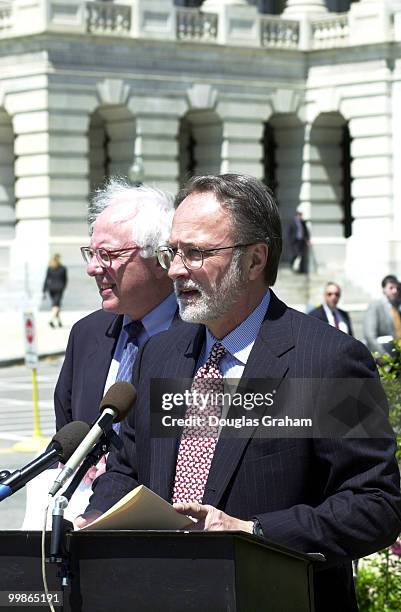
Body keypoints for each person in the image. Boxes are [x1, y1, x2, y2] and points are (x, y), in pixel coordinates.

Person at [79, 174, 401, 611]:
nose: (175, 269)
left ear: (254, 260)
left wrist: (253, 533)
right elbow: (127, 467)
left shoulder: (328, 361)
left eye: (196, 253)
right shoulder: (162, 354)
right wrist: (96, 518)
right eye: (173, 252)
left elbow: (375, 506)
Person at [364, 274, 401, 356]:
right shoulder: (375, 306)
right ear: (384, 290)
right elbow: (369, 336)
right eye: (391, 288)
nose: (395, 291)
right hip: (383, 358)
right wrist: (383, 356)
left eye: (397, 288)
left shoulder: (397, 307)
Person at [42, 253, 68, 327]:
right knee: (56, 305)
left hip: (51, 288)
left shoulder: (50, 268)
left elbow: (46, 279)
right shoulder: (63, 268)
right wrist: (64, 287)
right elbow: (65, 279)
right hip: (59, 288)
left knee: (56, 304)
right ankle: (51, 320)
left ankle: (59, 321)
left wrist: (44, 290)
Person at [288, 209, 310, 274]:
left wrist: (307, 240)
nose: (301, 216)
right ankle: (291, 265)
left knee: (302, 255)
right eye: (300, 215)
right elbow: (289, 232)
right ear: (297, 215)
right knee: (295, 254)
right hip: (295, 242)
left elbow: (306, 232)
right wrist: (290, 241)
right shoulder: (292, 222)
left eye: (301, 215)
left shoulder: (303, 223)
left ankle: (301, 270)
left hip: (302, 241)